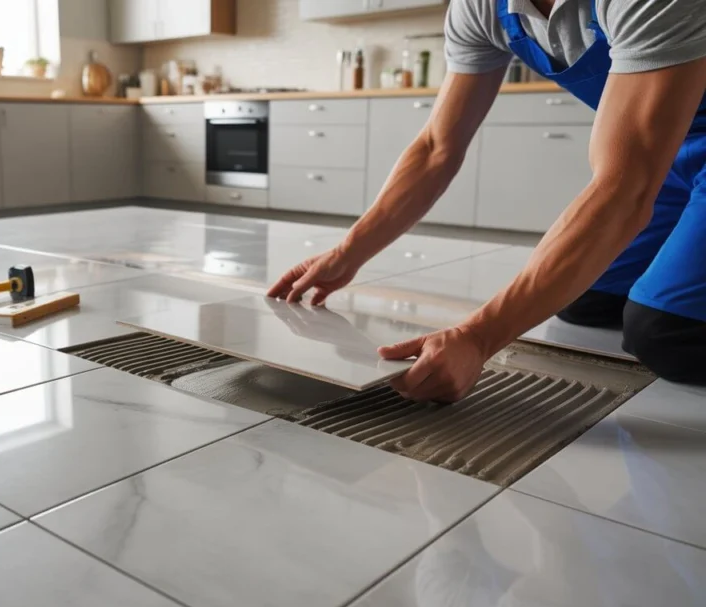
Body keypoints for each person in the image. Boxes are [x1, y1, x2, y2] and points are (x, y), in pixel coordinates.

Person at [268, 0, 706, 402]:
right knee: (584, 300)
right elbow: (437, 148)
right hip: (667, 159)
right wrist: (347, 254)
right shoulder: (480, 7)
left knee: (664, 335)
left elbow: (624, 187)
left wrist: (478, 337)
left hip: (652, 161)